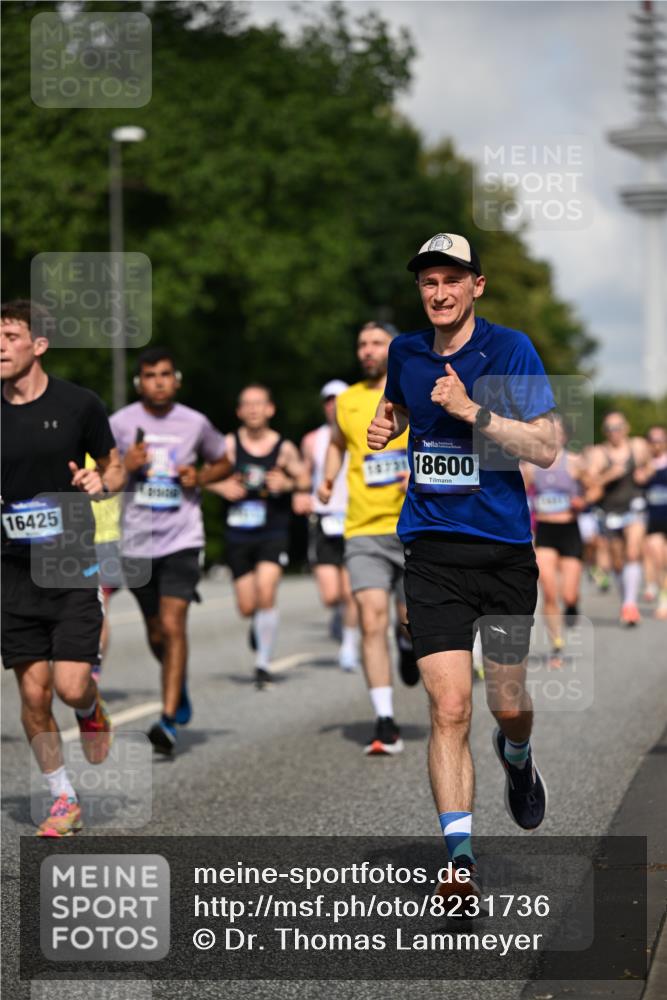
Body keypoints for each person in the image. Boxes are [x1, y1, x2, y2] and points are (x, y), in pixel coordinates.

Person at [367, 233, 557, 899]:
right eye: (428, 282)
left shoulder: (509, 350)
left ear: (476, 285)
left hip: (503, 555)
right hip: (431, 552)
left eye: (452, 279)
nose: (439, 292)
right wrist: (388, 424)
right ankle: (459, 861)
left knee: (506, 705)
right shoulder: (406, 351)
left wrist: (471, 411)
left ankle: (518, 755)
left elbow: (547, 447)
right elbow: (400, 403)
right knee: (448, 706)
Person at [1, 299, 124, 836]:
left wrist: (102, 481)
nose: (0, 346)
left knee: (71, 687)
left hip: (71, 563)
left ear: (39, 344)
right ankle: (62, 800)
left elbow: (114, 465)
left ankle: (93, 709)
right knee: (32, 695)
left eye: (9, 336)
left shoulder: (80, 404)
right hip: (10, 572)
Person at [110, 347, 231, 754]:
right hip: (136, 540)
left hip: (182, 537)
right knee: (156, 631)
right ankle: (176, 688)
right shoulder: (120, 423)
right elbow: (101, 475)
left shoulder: (194, 422)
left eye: (164, 374)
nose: (158, 381)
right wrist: (125, 466)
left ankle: (167, 719)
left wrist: (201, 475)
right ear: (138, 381)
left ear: (175, 379)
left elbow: (224, 462)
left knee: (173, 621)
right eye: (149, 375)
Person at [318, 321, 418, 757]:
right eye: (362, 344)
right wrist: (325, 480)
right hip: (363, 528)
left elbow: (445, 440)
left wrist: (417, 470)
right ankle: (385, 718)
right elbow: (338, 443)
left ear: (392, 349)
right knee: (371, 617)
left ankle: (409, 642)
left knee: (410, 621)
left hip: (414, 525)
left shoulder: (415, 387)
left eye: (377, 343)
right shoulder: (347, 400)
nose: (368, 350)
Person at [207, 384, 308, 689]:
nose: (253, 409)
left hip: (273, 531)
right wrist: (222, 487)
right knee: (247, 606)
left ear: (270, 409)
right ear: (239, 411)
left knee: (267, 592)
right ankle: (258, 624)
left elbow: (304, 478)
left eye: (259, 404)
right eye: (247, 404)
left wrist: (288, 484)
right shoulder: (228, 445)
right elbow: (202, 477)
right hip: (238, 534)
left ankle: (262, 663)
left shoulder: (284, 447)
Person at [293, 380, 360, 671]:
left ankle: (349, 645)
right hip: (324, 518)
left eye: (338, 399)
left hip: (356, 514)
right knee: (331, 594)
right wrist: (299, 494)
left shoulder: (363, 430)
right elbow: (304, 474)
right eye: (328, 400)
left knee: (351, 591)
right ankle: (339, 616)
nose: (333, 405)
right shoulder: (311, 440)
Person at [521, 415, 588, 668]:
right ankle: (557, 645)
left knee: (568, 593)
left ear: (565, 436)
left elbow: (593, 489)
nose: (555, 435)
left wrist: (583, 501)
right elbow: (519, 491)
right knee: (549, 591)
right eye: (551, 431)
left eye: (558, 431)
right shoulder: (531, 465)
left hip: (569, 531)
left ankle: (572, 604)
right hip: (545, 532)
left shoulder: (575, 462)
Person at [587, 412, 652, 626]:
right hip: (610, 511)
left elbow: (650, 464)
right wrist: (609, 475)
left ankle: (630, 605)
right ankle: (626, 599)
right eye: (609, 428)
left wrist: (645, 473)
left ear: (626, 428)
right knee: (617, 562)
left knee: (633, 552)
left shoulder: (638, 445)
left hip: (634, 506)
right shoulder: (598, 453)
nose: (614, 432)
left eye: (618, 427)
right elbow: (591, 482)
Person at [639, 425, 667, 618]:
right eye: (653, 440)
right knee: (658, 558)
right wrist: (648, 467)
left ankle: (664, 597)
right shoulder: (645, 466)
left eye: (660, 440)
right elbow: (639, 480)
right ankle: (661, 594)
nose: (656, 444)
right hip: (653, 520)